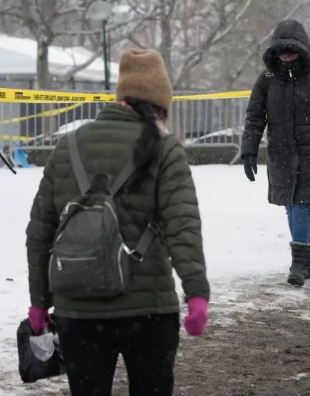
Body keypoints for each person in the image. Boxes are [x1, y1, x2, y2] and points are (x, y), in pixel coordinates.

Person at [25, 49, 210, 396]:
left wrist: (39, 301)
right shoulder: (166, 149)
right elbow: (182, 225)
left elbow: (41, 231)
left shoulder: (68, 147)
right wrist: (197, 293)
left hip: (78, 312)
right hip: (148, 311)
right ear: (159, 105)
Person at [241, 19, 310, 287]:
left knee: (301, 205)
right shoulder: (266, 81)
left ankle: (298, 263)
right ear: (274, 51)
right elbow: (255, 117)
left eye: (292, 48)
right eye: (281, 49)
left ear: (303, 49)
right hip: (281, 154)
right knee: (290, 203)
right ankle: (306, 258)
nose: (286, 54)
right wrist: (249, 150)